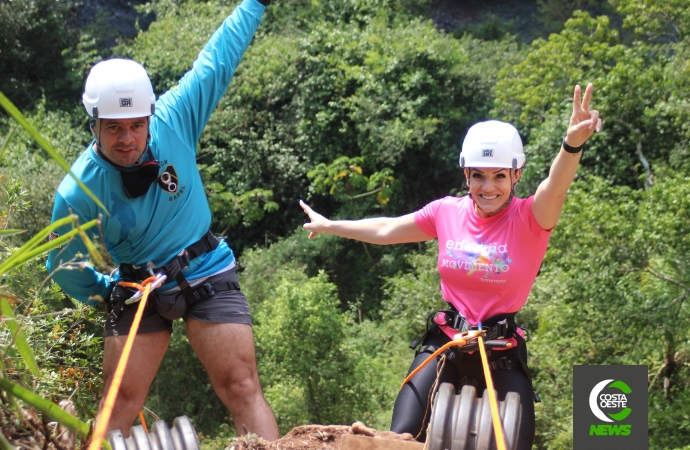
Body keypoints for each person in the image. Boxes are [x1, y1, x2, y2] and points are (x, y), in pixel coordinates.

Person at [301, 84, 601, 448]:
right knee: (400, 435)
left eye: (499, 176)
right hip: (445, 341)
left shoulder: (532, 217)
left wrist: (571, 146)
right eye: (478, 176)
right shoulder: (446, 211)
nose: (487, 187)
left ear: (516, 175)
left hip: (501, 351)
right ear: (466, 174)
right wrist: (331, 225)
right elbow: (386, 228)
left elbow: (556, 185)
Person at [45, 0, 279, 439]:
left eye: (137, 125)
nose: (128, 139)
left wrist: (255, 4)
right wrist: (103, 290)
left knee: (242, 385)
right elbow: (62, 263)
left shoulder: (174, 117)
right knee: (118, 407)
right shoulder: (78, 191)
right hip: (138, 288)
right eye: (114, 128)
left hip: (204, 267)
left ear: (150, 115)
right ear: (93, 123)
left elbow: (218, 58)